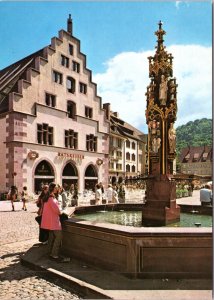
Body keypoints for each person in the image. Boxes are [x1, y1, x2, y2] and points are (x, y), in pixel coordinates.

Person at [41, 182, 68, 262]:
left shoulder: (48, 197)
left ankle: (49, 252)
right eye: (56, 187)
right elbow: (57, 211)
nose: (57, 188)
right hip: (54, 222)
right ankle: (54, 255)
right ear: (53, 188)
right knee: (58, 237)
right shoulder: (51, 198)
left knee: (51, 237)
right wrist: (62, 211)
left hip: (50, 222)